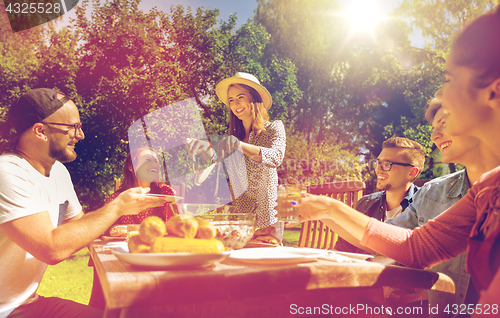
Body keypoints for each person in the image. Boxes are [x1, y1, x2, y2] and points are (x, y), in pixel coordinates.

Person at [288, 7, 500, 315]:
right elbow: (418, 247)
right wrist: (328, 208)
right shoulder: (488, 189)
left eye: (451, 79)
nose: (442, 94)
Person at [0, 88, 167, 318]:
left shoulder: (58, 172)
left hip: (29, 303)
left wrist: (136, 233)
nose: (80, 135)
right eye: (73, 128)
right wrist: (117, 206)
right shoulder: (7, 172)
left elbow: (82, 226)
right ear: (40, 131)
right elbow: (51, 248)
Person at [385, 98, 500, 316]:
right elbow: (403, 241)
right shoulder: (435, 191)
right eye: (434, 128)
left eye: (444, 124)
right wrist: (330, 211)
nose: (434, 136)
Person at [188, 72, 286, 243]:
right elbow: (207, 171)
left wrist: (239, 146)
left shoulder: (274, 128)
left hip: (268, 219)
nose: (235, 104)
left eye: (240, 97)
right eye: (231, 100)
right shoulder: (231, 138)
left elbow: (275, 156)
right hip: (240, 220)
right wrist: (203, 152)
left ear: (255, 99)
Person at [335, 136, 424, 254]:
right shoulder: (365, 204)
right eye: (378, 163)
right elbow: (343, 249)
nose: (378, 169)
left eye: (387, 164)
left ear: (412, 172)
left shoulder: (425, 206)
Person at [106, 147, 177, 228]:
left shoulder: (166, 193)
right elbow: (107, 231)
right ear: (131, 167)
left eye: (156, 161)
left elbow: (181, 223)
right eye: (147, 160)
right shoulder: (117, 198)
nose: (154, 164)